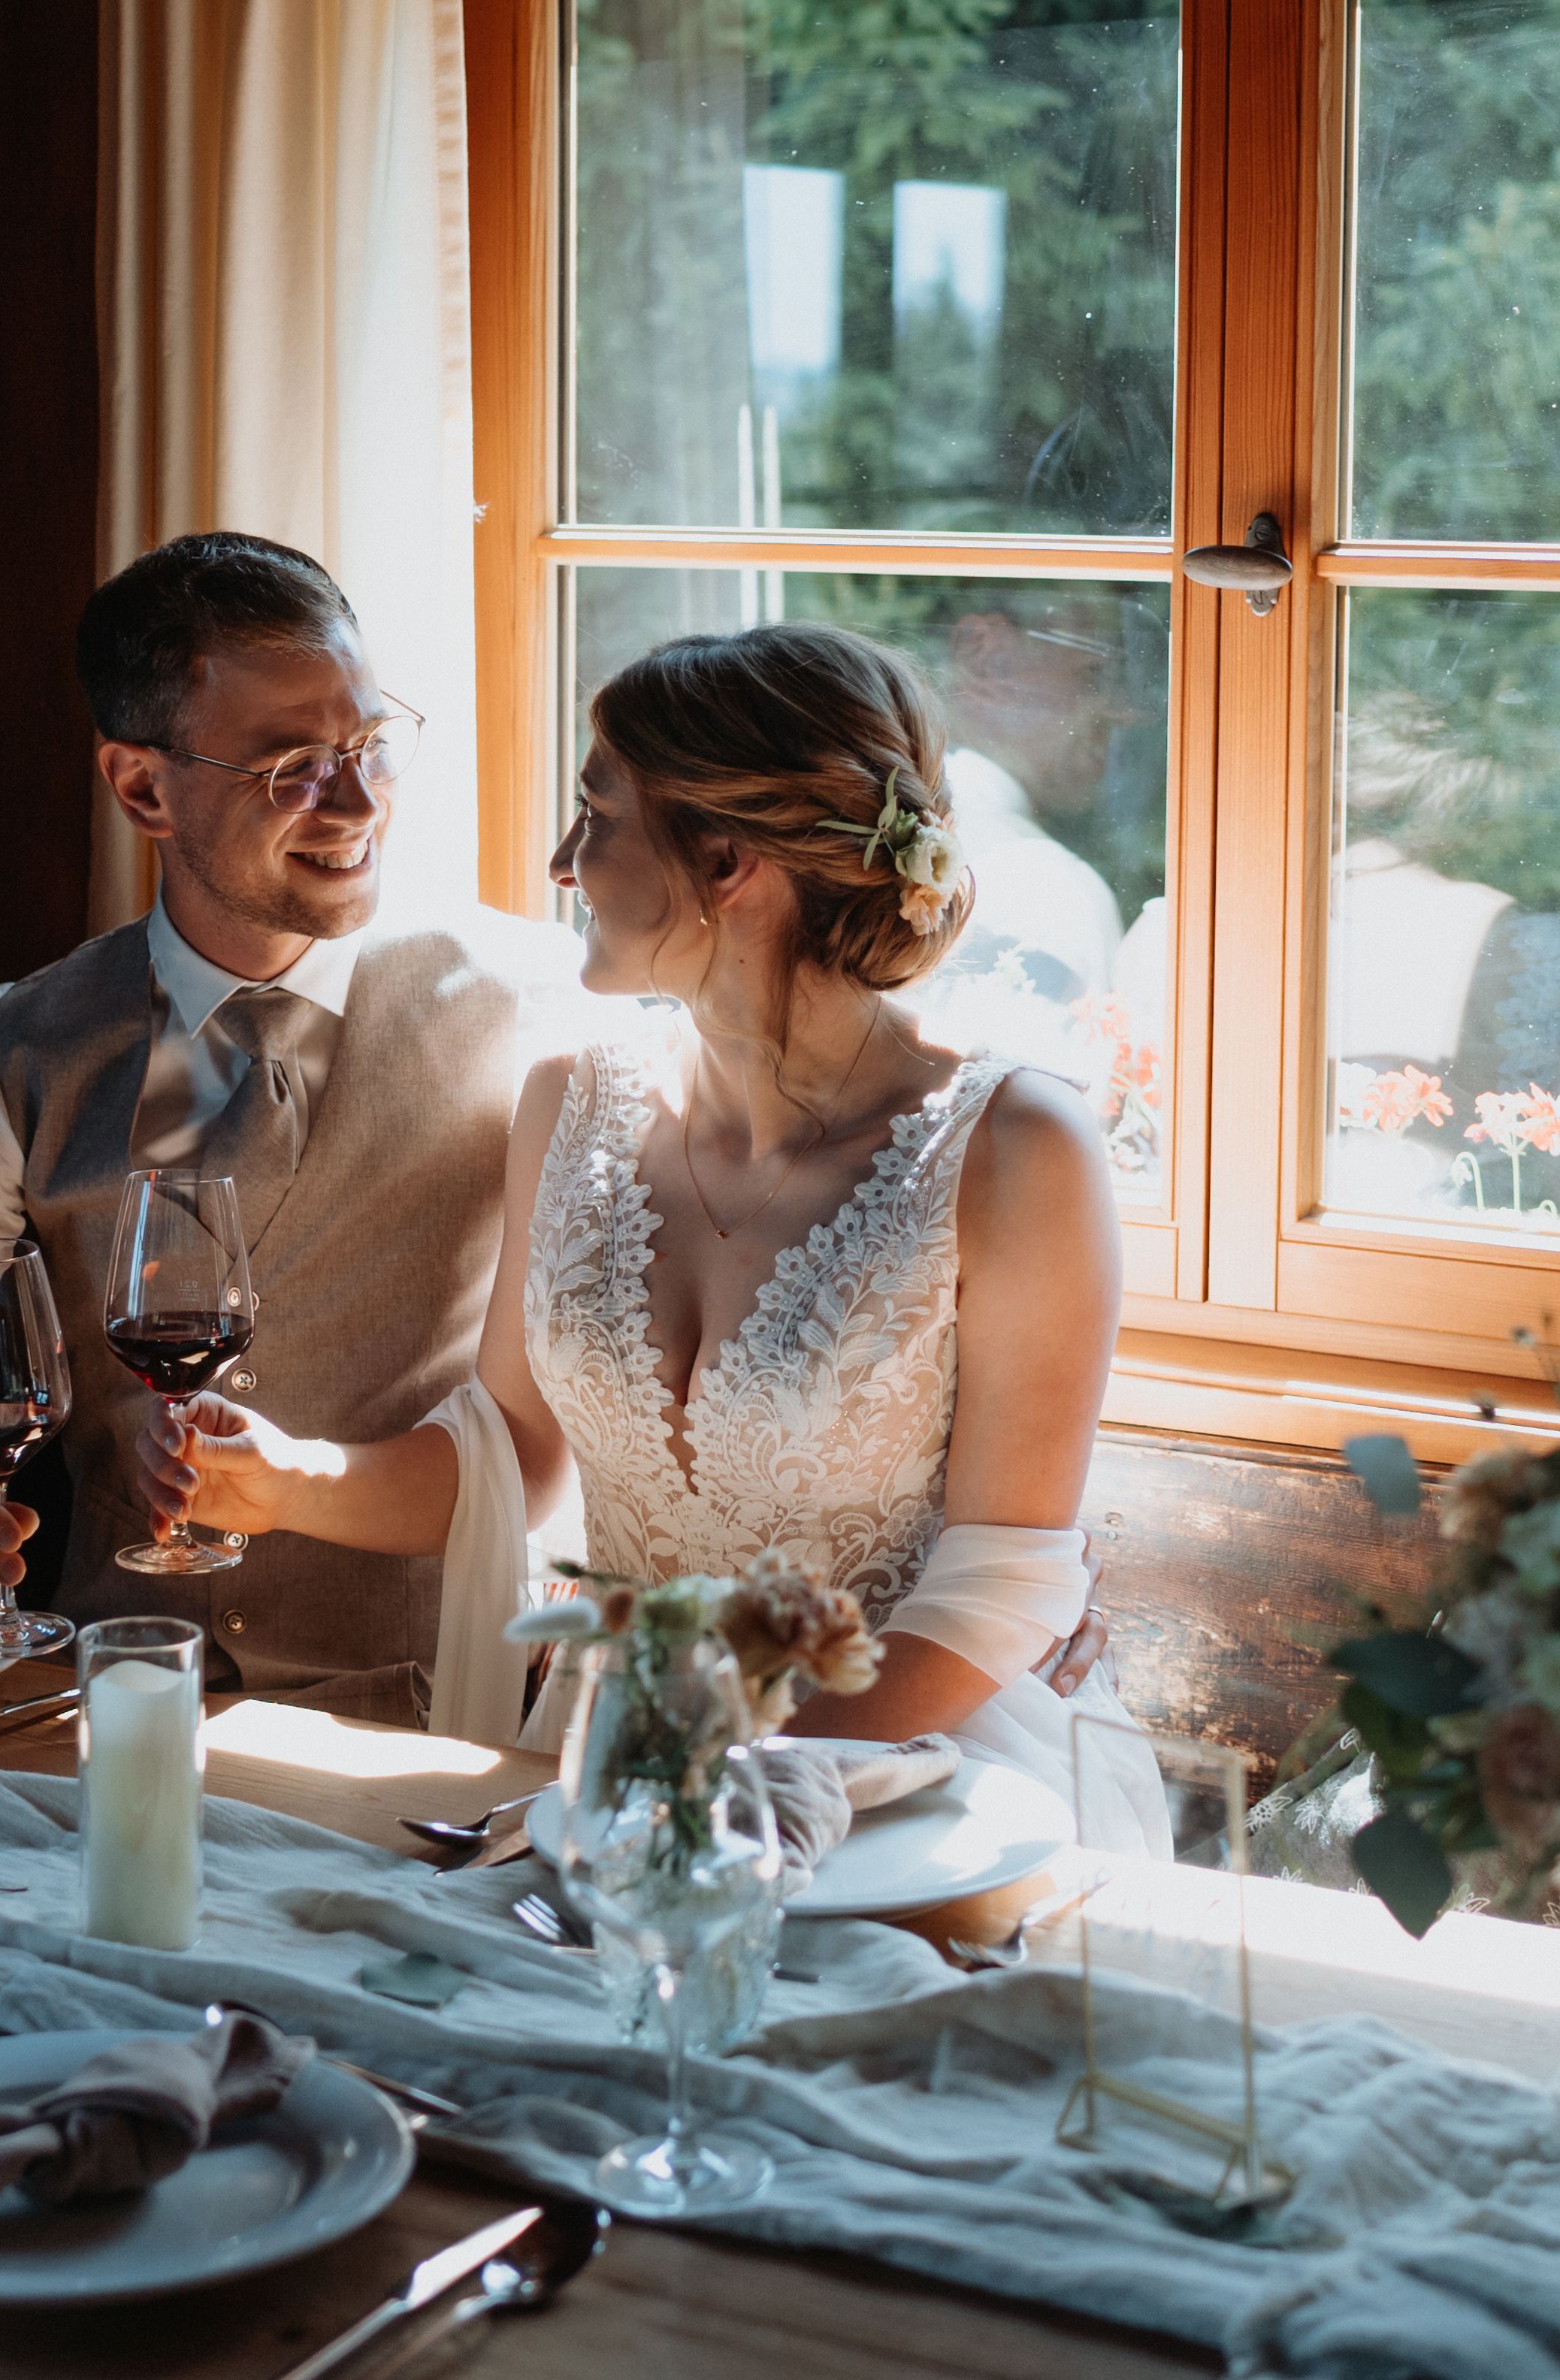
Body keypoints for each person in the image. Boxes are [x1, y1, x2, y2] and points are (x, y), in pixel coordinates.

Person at [173, 619, 1151, 1832]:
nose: (561, 862)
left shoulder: (1014, 1146)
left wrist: (695, 1788)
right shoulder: (568, 1103)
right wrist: (285, 1481)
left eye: (597, 817)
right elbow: (510, 1452)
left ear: (728, 859)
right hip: (615, 1772)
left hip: (908, 1775)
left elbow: (1003, 1588)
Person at [0, 533, 567, 1696]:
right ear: (141, 787)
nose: (358, 800)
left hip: (432, 1715)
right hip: (106, 1706)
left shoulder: (540, 1007)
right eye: (293, 767)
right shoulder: (13, 1048)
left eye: (369, 743)